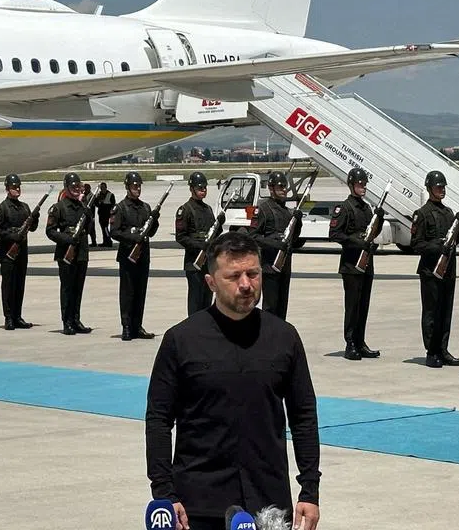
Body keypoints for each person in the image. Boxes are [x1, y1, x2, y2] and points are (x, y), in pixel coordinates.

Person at [145, 231, 320, 530]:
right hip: (199, 502)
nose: (246, 284)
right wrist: (164, 493)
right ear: (211, 282)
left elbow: (303, 416)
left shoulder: (284, 337)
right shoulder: (181, 340)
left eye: (253, 274)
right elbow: (159, 420)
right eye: (234, 276)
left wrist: (309, 490)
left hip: (268, 503)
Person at [409, 170, 459, 368]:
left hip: (448, 270)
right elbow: (416, 244)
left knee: (445, 311)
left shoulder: (448, 212)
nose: (441, 190)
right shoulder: (422, 214)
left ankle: (443, 349)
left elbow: (454, 240)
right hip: (430, 271)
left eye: (443, 187)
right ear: (429, 189)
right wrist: (436, 246)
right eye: (438, 187)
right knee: (431, 312)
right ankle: (432, 351)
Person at [327, 167, 383, 360]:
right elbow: (334, 234)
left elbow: (372, 233)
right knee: (352, 306)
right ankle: (350, 343)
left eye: (365, 184)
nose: (363, 187)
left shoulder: (366, 208)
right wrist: (356, 241)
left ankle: (360, 342)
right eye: (360, 184)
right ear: (351, 185)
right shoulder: (344, 208)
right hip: (351, 265)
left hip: (366, 263)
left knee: (363, 305)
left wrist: (380, 218)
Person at [109, 171, 158, 340]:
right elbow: (114, 232)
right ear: (127, 187)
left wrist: (155, 220)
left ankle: (138, 326)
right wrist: (132, 238)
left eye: (139, 186)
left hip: (143, 256)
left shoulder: (145, 207)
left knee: (140, 292)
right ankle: (127, 326)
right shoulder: (120, 208)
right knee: (127, 292)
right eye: (134, 186)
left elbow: (151, 233)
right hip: (128, 256)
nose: (137, 189)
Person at [246, 170, 301, 320]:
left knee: (282, 306)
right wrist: (274, 244)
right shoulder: (263, 210)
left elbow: (294, 238)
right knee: (270, 307)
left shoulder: (287, 212)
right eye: (280, 186)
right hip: (270, 265)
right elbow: (253, 236)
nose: (284, 190)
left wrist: (298, 222)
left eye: (285, 186)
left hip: (285, 265)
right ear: (271, 189)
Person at [0, 173, 40, 330]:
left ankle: (18, 316)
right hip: (7, 253)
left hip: (21, 252)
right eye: (13, 187)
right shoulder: (1, 208)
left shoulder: (24, 207)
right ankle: (9, 317)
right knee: (8, 286)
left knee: (19, 285)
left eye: (18, 187)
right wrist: (12, 236)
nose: (16, 189)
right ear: (7, 189)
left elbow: (32, 228)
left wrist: (35, 218)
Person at [46, 172, 94, 335]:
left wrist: (89, 217)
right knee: (67, 288)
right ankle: (67, 321)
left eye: (78, 186)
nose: (76, 189)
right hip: (65, 253)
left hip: (81, 253)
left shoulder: (83, 207)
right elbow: (50, 231)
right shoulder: (59, 208)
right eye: (73, 187)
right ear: (66, 188)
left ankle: (76, 319)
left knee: (78, 288)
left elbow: (88, 230)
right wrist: (67, 239)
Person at [175, 170, 215, 315]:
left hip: (207, 263)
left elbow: (213, 233)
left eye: (205, 187)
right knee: (196, 300)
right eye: (200, 188)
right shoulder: (185, 210)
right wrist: (199, 246)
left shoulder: (208, 209)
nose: (203, 190)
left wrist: (218, 227)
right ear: (192, 189)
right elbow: (181, 237)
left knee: (207, 300)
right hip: (194, 262)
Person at [96, 182, 116, 247]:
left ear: (106, 187)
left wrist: (111, 214)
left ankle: (108, 241)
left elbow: (113, 205)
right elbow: (96, 204)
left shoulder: (110, 195)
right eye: (101, 188)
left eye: (103, 187)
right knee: (103, 229)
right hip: (101, 214)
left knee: (105, 228)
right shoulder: (99, 195)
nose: (102, 189)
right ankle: (105, 241)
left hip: (106, 215)